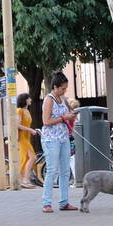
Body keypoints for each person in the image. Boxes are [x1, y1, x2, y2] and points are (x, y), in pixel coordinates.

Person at [40, 72, 76, 211]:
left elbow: (66, 115)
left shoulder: (63, 99)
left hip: (64, 138)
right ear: (55, 87)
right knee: (51, 170)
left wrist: (71, 115)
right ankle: (46, 203)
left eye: (65, 88)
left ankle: (64, 201)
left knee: (65, 171)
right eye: (62, 88)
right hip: (51, 139)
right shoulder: (49, 100)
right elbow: (46, 121)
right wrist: (63, 118)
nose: (64, 91)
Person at [15, 93, 38, 188]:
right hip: (22, 138)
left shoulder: (27, 111)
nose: (30, 100)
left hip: (27, 137)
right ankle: (25, 179)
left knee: (26, 158)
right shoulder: (19, 111)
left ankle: (22, 179)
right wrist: (30, 130)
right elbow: (17, 125)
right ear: (25, 100)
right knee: (32, 157)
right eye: (29, 98)